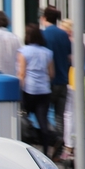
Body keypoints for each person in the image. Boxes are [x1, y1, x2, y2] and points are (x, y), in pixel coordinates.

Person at [17, 23, 55, 157]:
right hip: (44, 92)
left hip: (28, 91)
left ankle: (25, 150)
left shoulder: (23, 51)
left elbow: (21, 74)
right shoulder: (47, 52)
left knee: (22, 120)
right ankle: (46, 153)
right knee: (43, 123)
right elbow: (51, 74)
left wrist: (18, 91)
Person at [40, 6, 71, 143]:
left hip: (48, 83)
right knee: (60, 117)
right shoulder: (64, 34)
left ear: (44, 18)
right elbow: (69, 57)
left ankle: (51, 138)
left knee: (42, 114)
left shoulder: (43, 35)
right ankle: (60, 141)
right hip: (63, 81)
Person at [59, 18, 84, 161]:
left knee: (69, 115)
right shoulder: (79, 42)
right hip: (77, 79)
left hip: (71, 80)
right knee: (75, 114)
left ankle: (69, 147)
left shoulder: (71, 43)